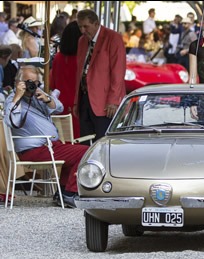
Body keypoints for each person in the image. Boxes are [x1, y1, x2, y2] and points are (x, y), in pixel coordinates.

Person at [3, 66, 89, 207]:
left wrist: (47, 98)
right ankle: (70, 193)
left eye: (36, 82)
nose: (33, 85)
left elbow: (59, 107)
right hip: (35, 149)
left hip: (48, 147)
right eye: (28, 82)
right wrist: (18, 95)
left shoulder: (36, 96)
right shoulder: (12, 100)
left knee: (74, 154)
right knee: (85, 152)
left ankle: (61, 193)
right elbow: (13, 121)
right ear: (19, 82)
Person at [73, 9, 126, 142]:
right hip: (85, 99)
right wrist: (76, 101)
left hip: (105, 102)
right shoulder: (82, 41)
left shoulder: (113, 38)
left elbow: (118, 72)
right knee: (85, 142)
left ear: (96, 23)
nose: (83, 30)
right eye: (80, 27)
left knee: (103, 142)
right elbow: (80, 71)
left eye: (86, 26)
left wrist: (113, 100)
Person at [50, 21, 82, 139]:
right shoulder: (81, 59)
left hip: (60, 105)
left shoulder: (58, 58)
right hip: (77, 106)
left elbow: (52, 83)